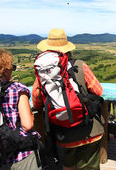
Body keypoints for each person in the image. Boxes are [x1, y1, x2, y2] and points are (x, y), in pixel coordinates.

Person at [32, 28, 104, 170]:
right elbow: (98, 91)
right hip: (90, 129)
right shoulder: (80, 65)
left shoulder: (44, 74)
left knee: (68, 165)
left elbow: (36, 101)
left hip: (64, 130)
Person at [0, 49, 41, 170]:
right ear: (5, 69)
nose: (12, 69)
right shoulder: (17, 88)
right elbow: (27, 124)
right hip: (21, 153)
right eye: (11, 66)